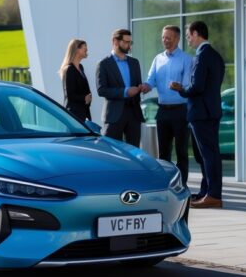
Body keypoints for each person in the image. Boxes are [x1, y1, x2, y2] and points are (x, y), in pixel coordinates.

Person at [170, 21, 226, 209]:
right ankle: (206, 191)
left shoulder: (201, 56)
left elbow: (197, 87)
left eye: (188, 36)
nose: (188, 40)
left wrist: (181, 89)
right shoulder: (216, 56)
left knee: (208, 156)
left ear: (196, 33)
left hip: (201, 113)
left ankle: (213, 195)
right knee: (209, 155)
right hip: (212, 111)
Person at [142, 25, 193, 186]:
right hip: (163, 111)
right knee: (163, 153)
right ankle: (165, 185)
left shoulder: (187, 59)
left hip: (181, 111)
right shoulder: (158, 59)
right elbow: (151, 80)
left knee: (181, 152)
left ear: (177, 39)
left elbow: (187, 85)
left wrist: (178, 86)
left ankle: (181, 185)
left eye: (168, 38)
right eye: (163, 37)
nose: (165, 40)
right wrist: (145, 87)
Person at [96, 29, 146, 146]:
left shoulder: (134, 63)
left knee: (134, 152)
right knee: (112, 152)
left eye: (130, 42)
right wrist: (125, 92)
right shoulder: (103, 64)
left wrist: (141, 88)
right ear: (115, 41)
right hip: (114, 115)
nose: (129, 46)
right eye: (126, 42)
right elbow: (101, 90)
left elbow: (137, 84)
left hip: (134, 114)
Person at [59, 39, 92, 121]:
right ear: (77, 49)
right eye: (85, 48)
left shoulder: (81, 67)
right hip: (74, 115)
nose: (87, 50)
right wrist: (84, 98)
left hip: (84, 112)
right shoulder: (69, 69)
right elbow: (69, 95)